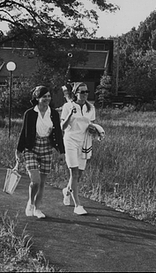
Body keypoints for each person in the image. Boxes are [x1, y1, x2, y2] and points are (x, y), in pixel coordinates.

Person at [16, 86, 65, 218]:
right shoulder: (30, 113)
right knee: (35, 180)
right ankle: (30, 203)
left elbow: (58, 134)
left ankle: (37, 209)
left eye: (49, 96)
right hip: (31, 147)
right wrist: (18, 150)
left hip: (46, 147)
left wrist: (61, 151)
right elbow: (23, 133)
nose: (47, 99)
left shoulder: (53, 113)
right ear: (37, 98)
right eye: (44, 96)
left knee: (42, 182)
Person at [60, 82, 96, 215]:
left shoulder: (91, 108)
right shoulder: (67, 106)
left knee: (79, 175)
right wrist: (70, 114)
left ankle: (67, 190)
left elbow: (91, 125)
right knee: (74, 173)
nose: (85, 94)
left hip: (85, 142)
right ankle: (77, 205)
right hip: (70, 141)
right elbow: (62, 127)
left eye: (86, 92)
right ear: (75, 93)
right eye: (82, 92)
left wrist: (94, 130)